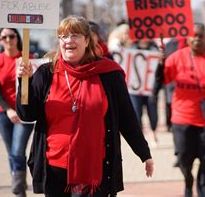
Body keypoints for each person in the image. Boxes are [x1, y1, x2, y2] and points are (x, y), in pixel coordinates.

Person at [16, 16, 154, 196]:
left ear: (87, 40)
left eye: (75, 35)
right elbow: (27, 115)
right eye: (63, 36)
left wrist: (144, 154)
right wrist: (23, 81)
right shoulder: (45, 73)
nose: (68, 41)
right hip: (55, 168)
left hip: (95, 168)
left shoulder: (108, 73)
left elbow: (127, 118)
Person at [159, 23, 205, 197]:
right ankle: (188, 181)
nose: (197, 39)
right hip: (182, 119)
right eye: (194, 36)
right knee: (184, 158)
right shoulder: (176, 58)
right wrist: (160, 64)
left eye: (201, 36)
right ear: (187, 39)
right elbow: (162, 80)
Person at [0, 28, 34, 196]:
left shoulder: (27, 59)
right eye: (4, 37)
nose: (8, 39)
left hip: (24, 114)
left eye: (11, 36)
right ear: (0, 40)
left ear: (17, 38)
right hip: (3, 115)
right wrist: (8, 110)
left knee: (17, 151)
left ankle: (19, 189)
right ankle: (20, 186)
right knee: (12, 153)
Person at [129, 39, 160, 146]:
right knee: (137, 114)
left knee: (153, 113)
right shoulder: (131, 48)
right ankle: (140, 139)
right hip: (135, 89)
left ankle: (153, 134)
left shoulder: (155, 48)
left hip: (151, 88)